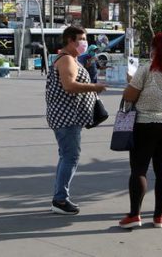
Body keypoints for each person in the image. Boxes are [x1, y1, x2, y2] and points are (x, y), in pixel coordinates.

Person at [119, 33, 162, 229]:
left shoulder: (146, 70)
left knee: (139, 170)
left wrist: (130, 81)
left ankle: (135, 215)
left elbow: (129, 96)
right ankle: (159, 216)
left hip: (145, 124)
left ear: (156, 49)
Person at [46, 25, 107, 215]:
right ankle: (60, 199)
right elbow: (69, 86)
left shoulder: (70, 59)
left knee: (66, 156)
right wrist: (94, 87)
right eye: (82, 39)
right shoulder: (66, 60)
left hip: (68, 117)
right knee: (70, 157)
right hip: (67, 118)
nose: (85, 43)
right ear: (70, 40)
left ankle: (60, 196)